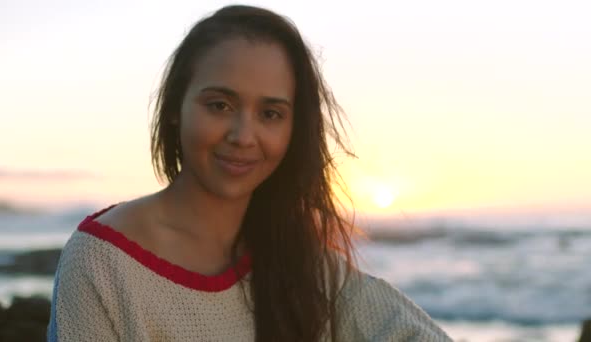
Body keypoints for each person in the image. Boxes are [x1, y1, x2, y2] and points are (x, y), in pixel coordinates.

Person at [47, 5, 452, 342]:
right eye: (220, 105)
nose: (244, 136)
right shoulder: (102, 260)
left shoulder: (302, 263)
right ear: (175, 108)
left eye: (271, 114)